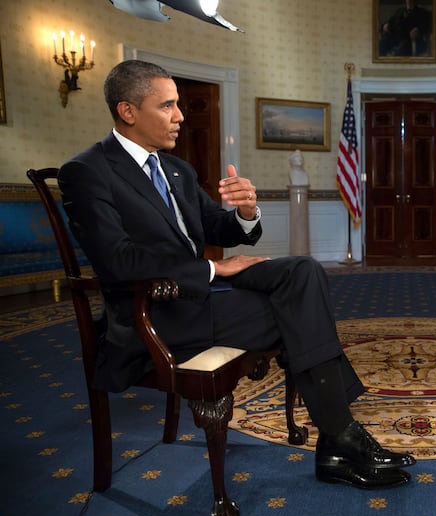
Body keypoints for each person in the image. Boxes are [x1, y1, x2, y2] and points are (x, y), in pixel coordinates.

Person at [58, 59, 415, 490]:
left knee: (303, 273)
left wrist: (246, 213)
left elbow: (218, 227)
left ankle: (339, 440)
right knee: (297, 314)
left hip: (202, 297)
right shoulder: (87, 171)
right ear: (128, 112)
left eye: (179, 105)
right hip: (154, 314)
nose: (180, 117)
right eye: (167, 106)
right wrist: (210, 267)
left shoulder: (176, 169)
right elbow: (116, 260)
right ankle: (340, 441)